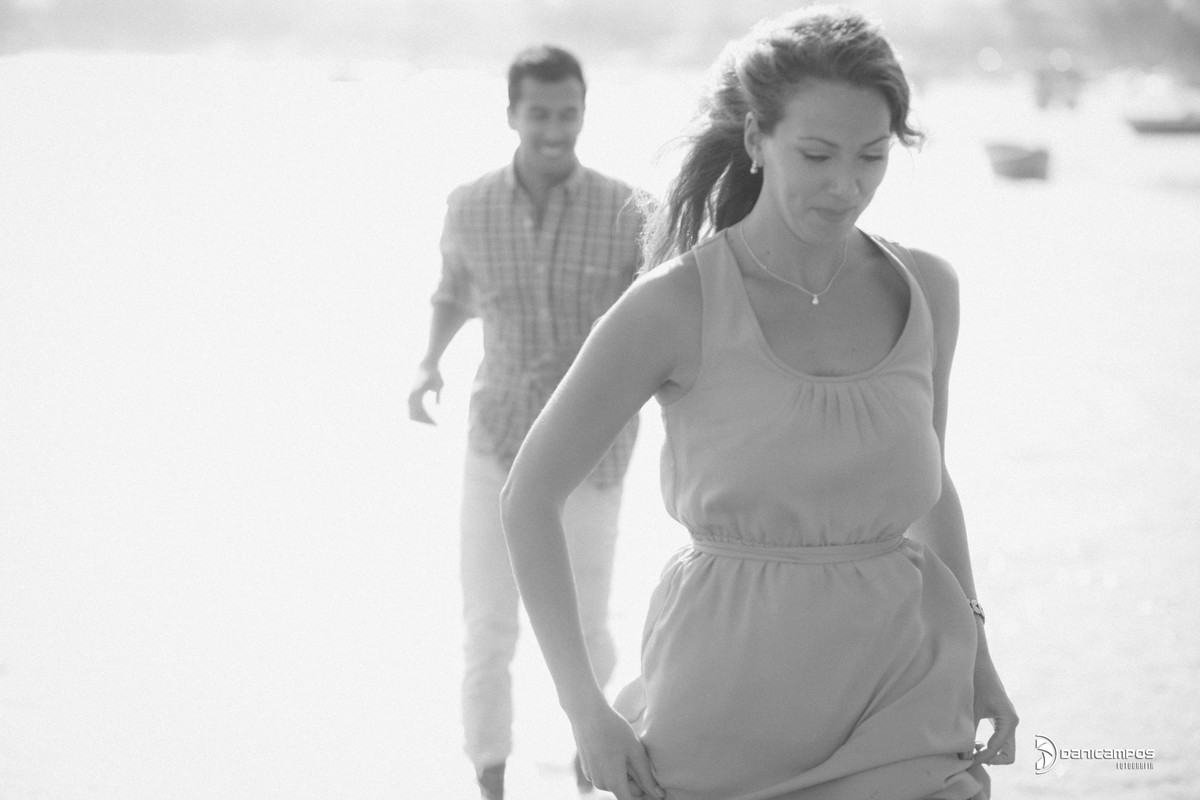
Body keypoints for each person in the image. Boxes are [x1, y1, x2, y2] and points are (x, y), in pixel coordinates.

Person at [500, 7, 1018, 800]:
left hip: (906, 704)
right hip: (724, 720)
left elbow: (930, 484)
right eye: (816, 154)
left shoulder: (927, 289)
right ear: (755, 139)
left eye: (872, 156)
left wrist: (979, 655)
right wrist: (585, 712)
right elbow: (529, 496)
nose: (846, 185)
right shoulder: (674, 305)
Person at [407, 45, 644, 800]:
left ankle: (591, 773)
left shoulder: (629, 211)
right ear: (511, 114)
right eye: (539, 114)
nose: (554, 130)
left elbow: (658, 324)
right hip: (498, 441)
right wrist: (428, 363)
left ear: (584, 113)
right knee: (488, 627)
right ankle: (490, 781)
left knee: (589, 629)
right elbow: (453, 292)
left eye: (568, 114)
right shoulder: (469, 205)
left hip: (592, 451)